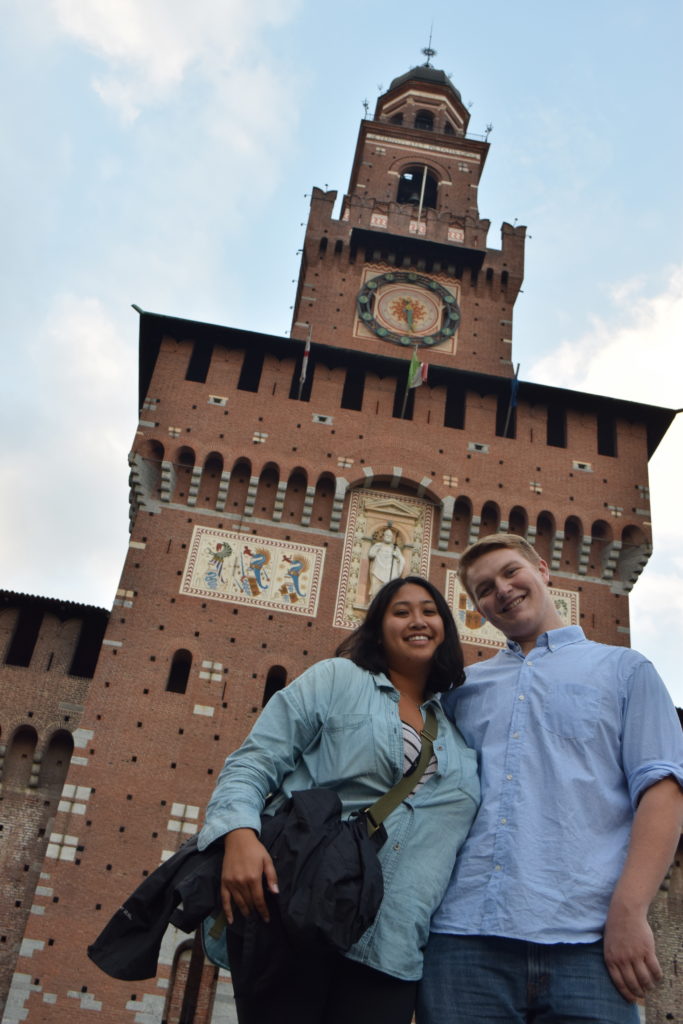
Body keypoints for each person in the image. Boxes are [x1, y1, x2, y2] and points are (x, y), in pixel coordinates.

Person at [418, 533, 683, 1024]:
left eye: (510, 572)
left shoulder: (625, 670)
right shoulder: (462, 692)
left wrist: (629, 911)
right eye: (483, 589)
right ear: (478, 608)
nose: (502, 589)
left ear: (542, 568)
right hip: (464, 940)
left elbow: (663, 791)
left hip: (589, 941)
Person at [198, 576, 480, 1024]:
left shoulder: (459, 735)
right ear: (378, 626)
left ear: (446, 626)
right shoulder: (339, 679)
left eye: (429, 611)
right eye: (401, 611)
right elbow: (255, 762)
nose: (417, 620)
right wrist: (238, 834)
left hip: (394, 944)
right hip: (300, 916)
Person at [368, 526, 405, 597]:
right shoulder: (378, 545)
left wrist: (396, 556)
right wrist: (376, 550)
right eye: (387, 535)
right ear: (383, 536)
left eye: (390, 536)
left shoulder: (395, 548)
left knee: (389, 590)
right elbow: (371, 555)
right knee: (376, 589)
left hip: (390, 573)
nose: (388, 537)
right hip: (377, 571)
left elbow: (401, 560)